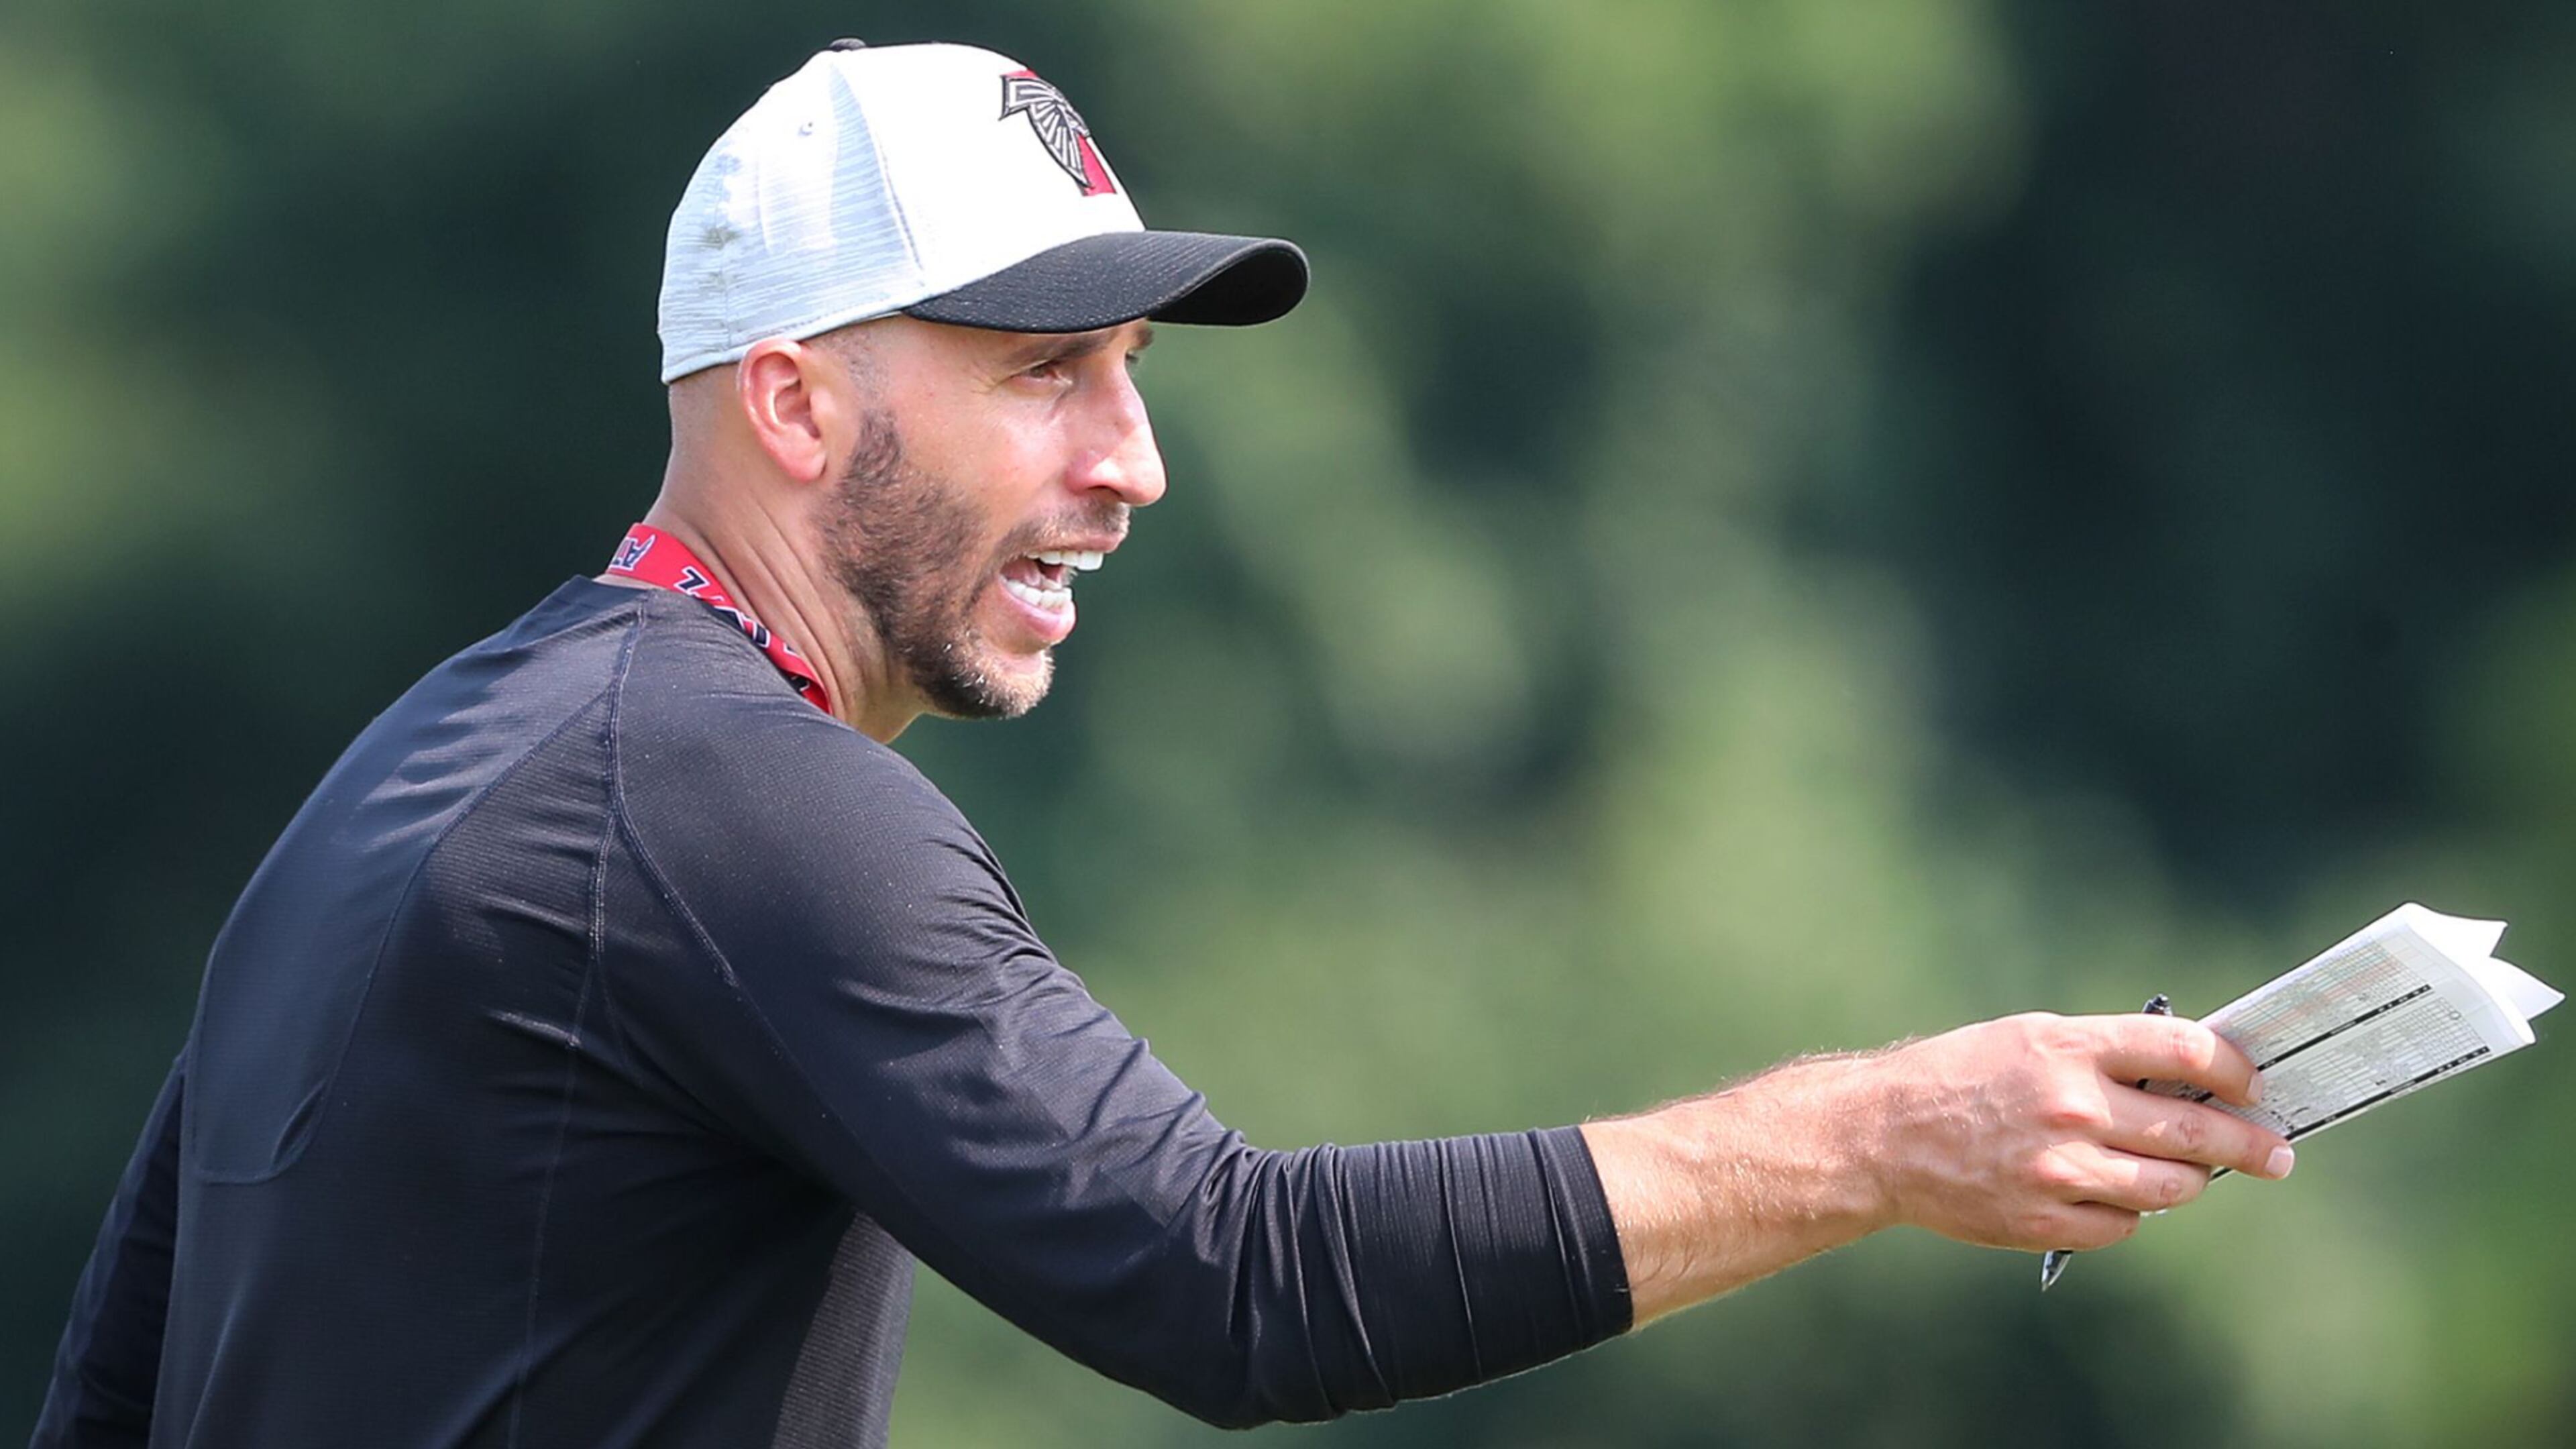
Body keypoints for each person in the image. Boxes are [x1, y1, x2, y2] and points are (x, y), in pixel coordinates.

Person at [31, 40, 2296, 1449]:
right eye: (1044, 378)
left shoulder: (417, 772)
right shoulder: (744, 804)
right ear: (796, 404)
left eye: (1133, 374)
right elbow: (1242, 1284)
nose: (1134, 463)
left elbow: (107, 1400)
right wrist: (1883, 1136)